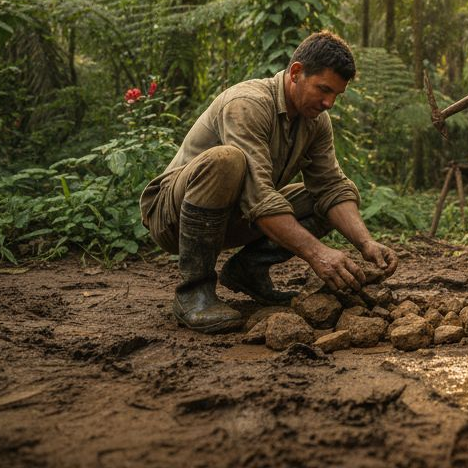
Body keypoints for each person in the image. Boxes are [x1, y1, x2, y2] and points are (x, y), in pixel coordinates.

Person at [139, 31, 399, 333]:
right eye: (323, 90)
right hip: (173, 219)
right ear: (297, 73)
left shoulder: (315, 120)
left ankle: (248, 271)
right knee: (226, 160)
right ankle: (193, 292)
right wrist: (318, 254)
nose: (329, 103)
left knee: (322, 199)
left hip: (232, 219)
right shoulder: (247, 104)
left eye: (336, 96)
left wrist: (365, 242)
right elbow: (260, 197)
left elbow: (331, 186)